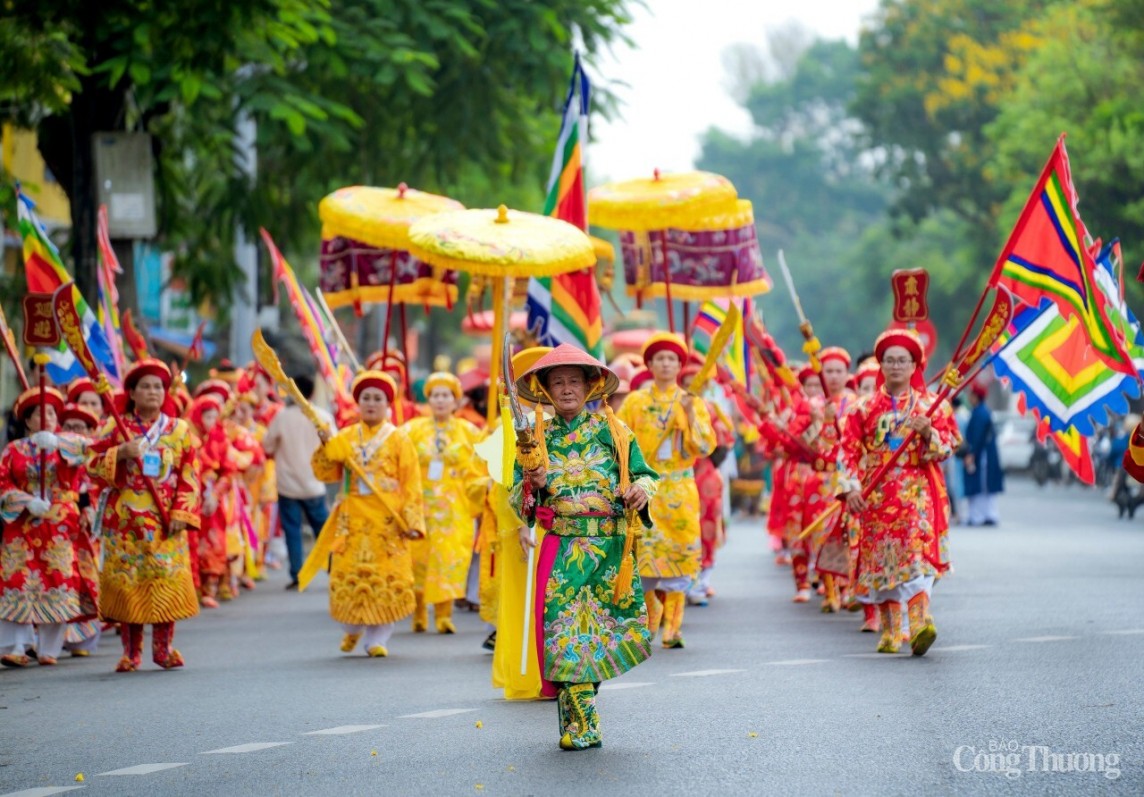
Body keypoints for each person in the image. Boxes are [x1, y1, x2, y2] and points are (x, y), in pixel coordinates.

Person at [510, 343, 659, 751]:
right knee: (563, 634)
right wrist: (532, 485)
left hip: (610, 550)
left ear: (590, 385)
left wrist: (639, 492)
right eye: (557, 383)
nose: (566, 389)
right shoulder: (533, 439)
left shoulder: (614, 431)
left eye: (573, 381)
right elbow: (517, 500)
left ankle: (578, 719)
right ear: (544, 390)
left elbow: (647, 476)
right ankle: (584, 724)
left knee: (598, 636)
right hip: (562, 548)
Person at [839, 329, 960, 657]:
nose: (895, 366)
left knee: (918, 559)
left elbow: (948, 446)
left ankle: (920, 624)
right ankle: (891, 631)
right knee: (883, 565)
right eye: (889, 360)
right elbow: (847, 451)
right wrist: (850, 490)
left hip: (916, 493)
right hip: (877, 496)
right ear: (880, 364)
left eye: (902, 361)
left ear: (914, 366)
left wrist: (928, 433)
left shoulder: (930, 406)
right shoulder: (861, 409)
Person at [88, 359, 201, 672]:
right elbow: (90, 464)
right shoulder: (114, 426)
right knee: (128, 584)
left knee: (165, 580)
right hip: (124, 523)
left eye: (158, 387)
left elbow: (190, 473)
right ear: (132, 393)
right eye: (146, 386)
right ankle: (131, 653)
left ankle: (163, 650)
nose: (153, 392)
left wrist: (182, 511)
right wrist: (119, 454)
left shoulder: (179, 431)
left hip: (165, 521)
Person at [305, 371, 425, 658]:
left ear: (387, 404)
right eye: (366, 398)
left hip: (387, 520)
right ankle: (352, 628)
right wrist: (325, 445)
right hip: (353, 520)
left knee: (386, 578)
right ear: (358, 403)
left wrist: (412, 520)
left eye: (378, 398)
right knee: (350, 577)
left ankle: (377, 639)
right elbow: (325, 472)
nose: (371, 403)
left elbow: (411, 483)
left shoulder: (399, 440)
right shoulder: (345, 437)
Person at [617, 333, 715, 649]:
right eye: (659, 358)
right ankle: (650, 613)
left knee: (679, 554)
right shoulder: (635, 402)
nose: (665, 363)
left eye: (671, 359)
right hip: (644, 487)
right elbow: (618, 440)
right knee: (642, 553)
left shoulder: (692, 401)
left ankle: (674, 627)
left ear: (679, 366)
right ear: (649, 364)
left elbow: (703, 446)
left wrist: (687, 414)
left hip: (679, 489)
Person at [0, 388, 91, 667]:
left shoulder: (68, 443)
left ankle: (49, 648)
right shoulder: (13, 450)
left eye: (52, 412)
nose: (47, 417)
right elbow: (3, 483)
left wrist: (57, 445)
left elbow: (88, 452)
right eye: (40, 413)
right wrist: (25, 500)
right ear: (28, 421)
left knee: (59, 579)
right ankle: (16, 645)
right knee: (15, 580)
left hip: (59, 524)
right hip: (23, 524)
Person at [404, 372, 487, 634]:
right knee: (418, 558)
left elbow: (482, 464)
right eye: (435, 395)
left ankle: (444, 614)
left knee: (450, 559)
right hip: (420, 505)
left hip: (455, 509)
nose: (440, 401)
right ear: (428, 400)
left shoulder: (469, 432)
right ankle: (418, 611)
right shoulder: (412, 430)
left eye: (446, 395)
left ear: (455, 400)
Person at [262, 374, 331, 590]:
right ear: (312, 392)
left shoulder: (282, 417)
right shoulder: (321, 415)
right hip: (315, 484)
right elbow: (335, 446)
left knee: (292, 531)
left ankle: (297, 575)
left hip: (287, 485)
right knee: (325, 532)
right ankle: (336, 570)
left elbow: (267, 447)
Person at [962, 382, 1003, 526]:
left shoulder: (980, 413)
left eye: (971, 394)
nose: (969, 397)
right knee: (985, 486)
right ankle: (987, 515)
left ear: (976, 397)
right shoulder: (981, 411)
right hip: (983, 454)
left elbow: (977, 437)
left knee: (980, 485)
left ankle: (978, 516)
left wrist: (971, 454)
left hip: (981, 456)